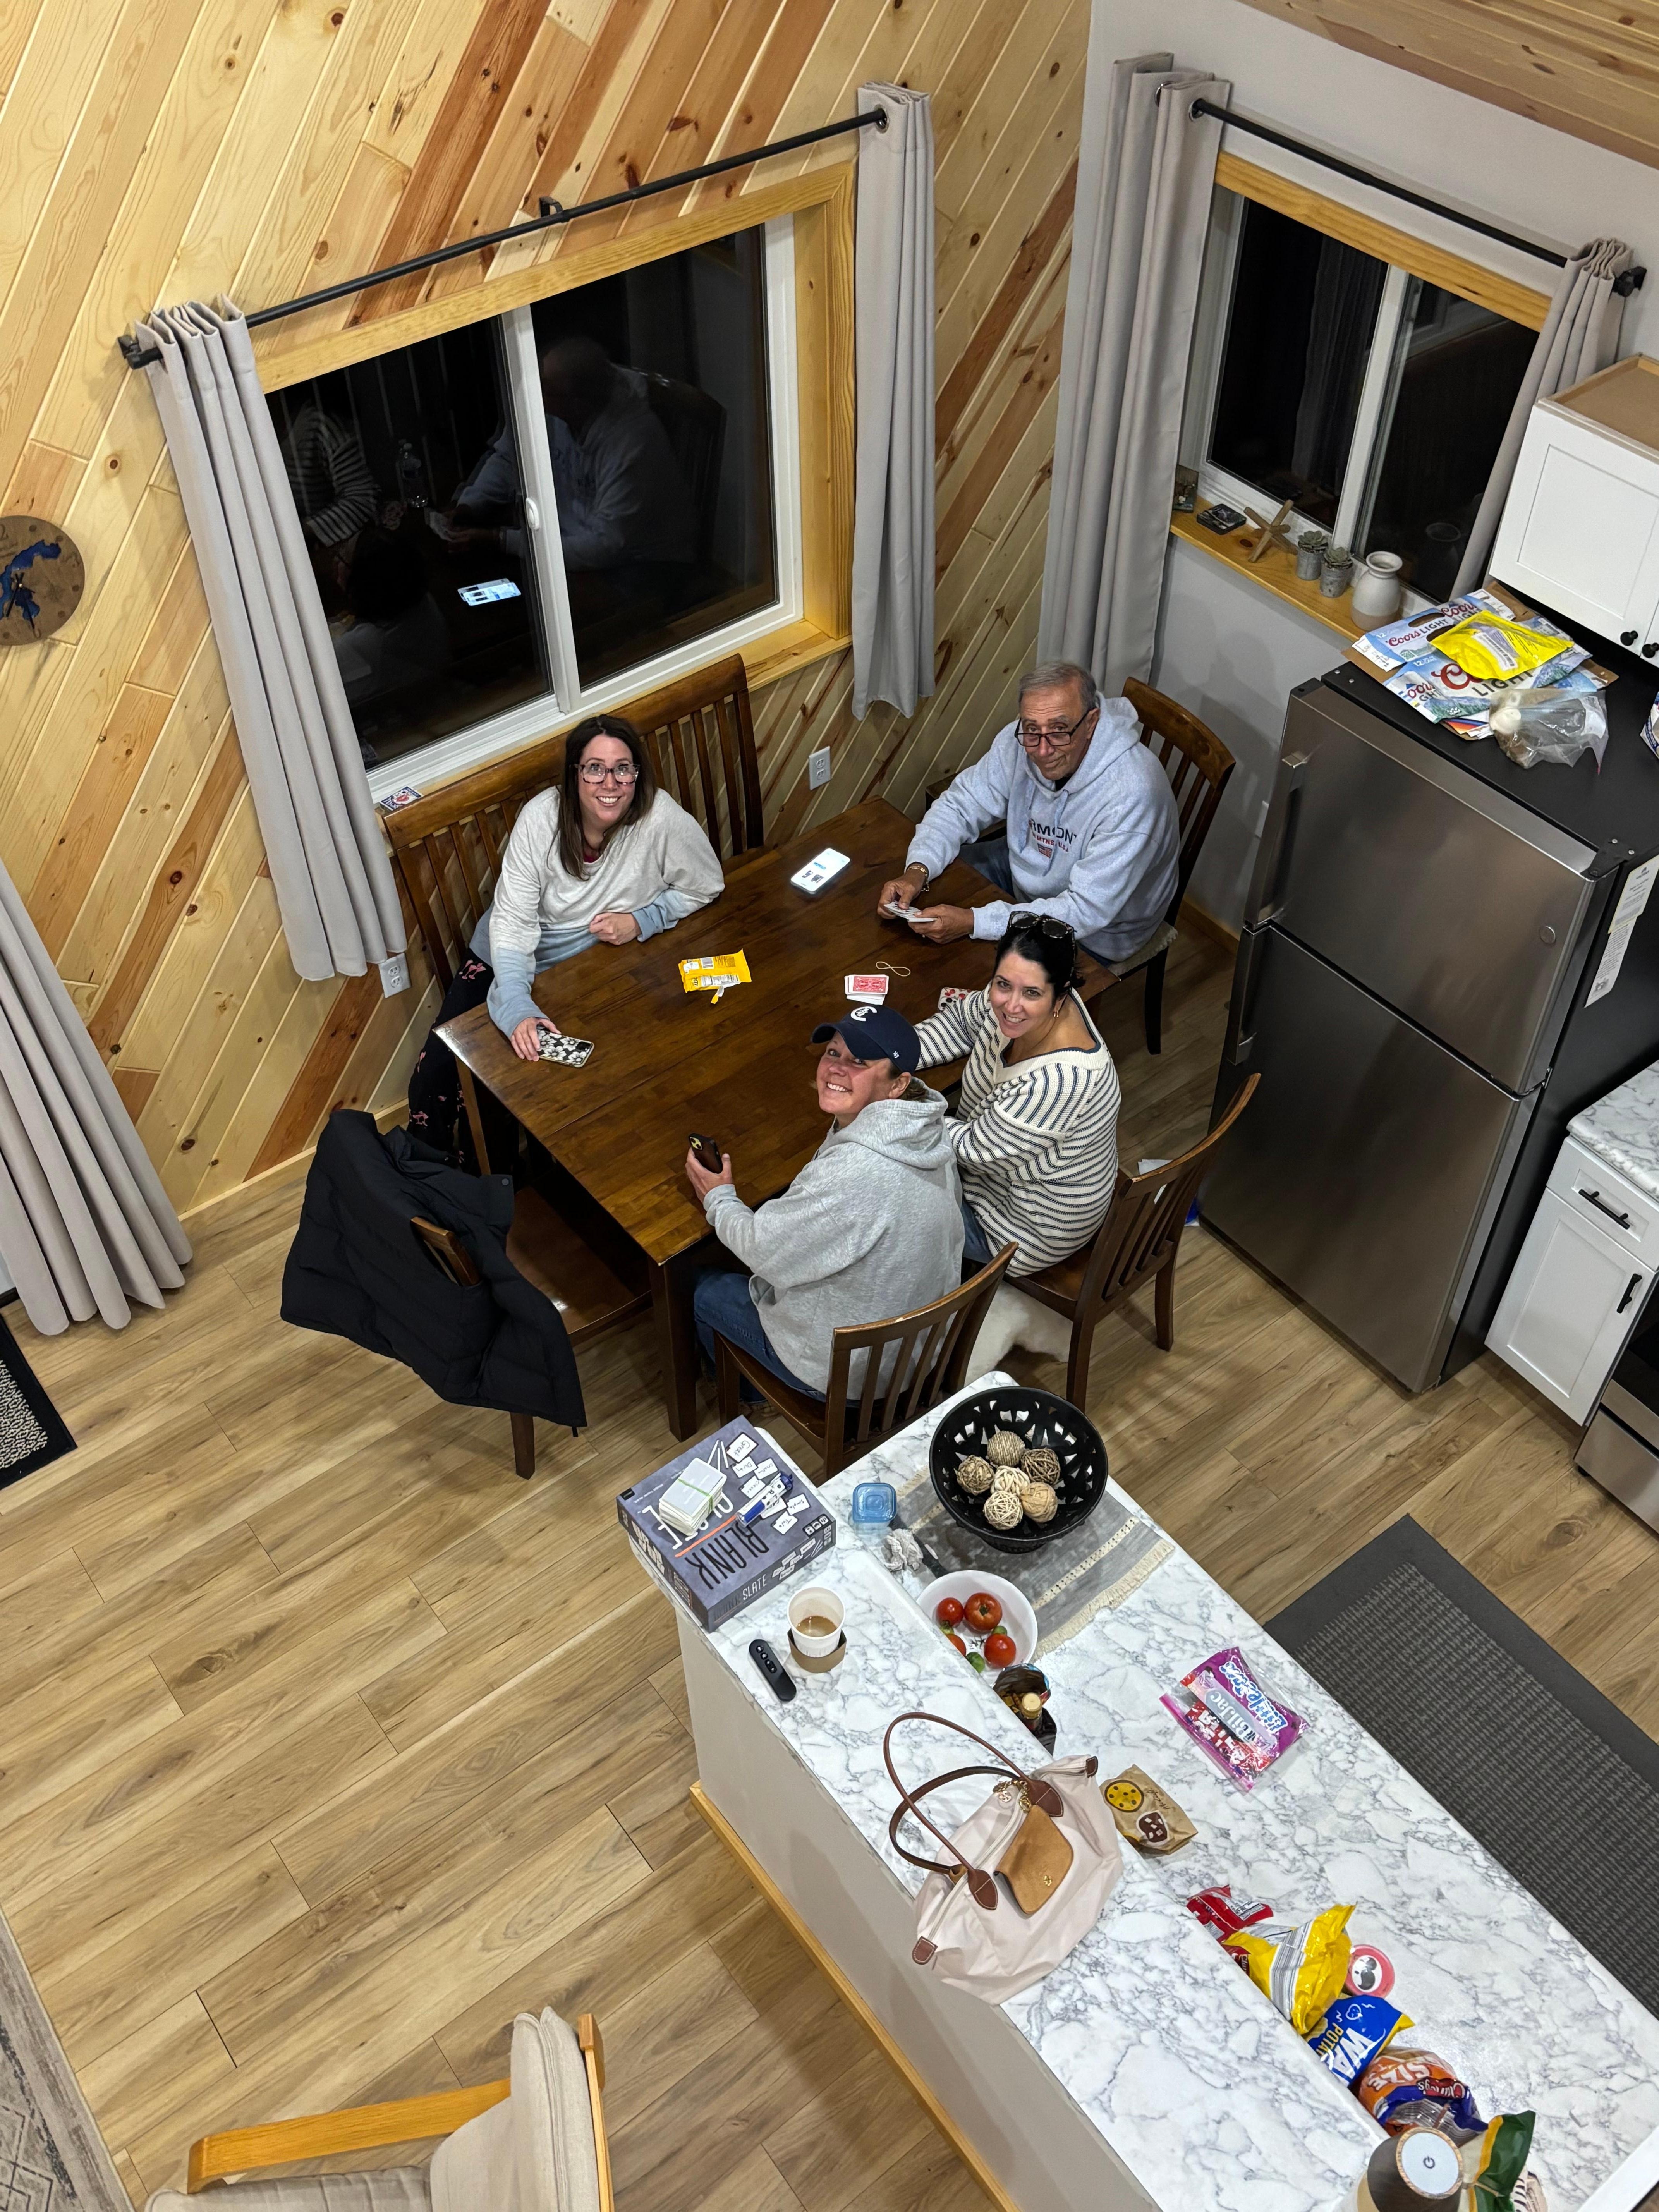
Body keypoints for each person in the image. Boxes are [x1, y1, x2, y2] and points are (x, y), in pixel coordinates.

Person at [406, 715, 723, 1157]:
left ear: (637, 774)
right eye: (595, 769)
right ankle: (442, 1176)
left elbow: (705, 884)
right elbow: (513, 923)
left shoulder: (660, 817)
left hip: (592, 962)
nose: (610, 783)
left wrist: (644, 920)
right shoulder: (541, 819)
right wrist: (517, 1005)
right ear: (575, 775)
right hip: (508, 953)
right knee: (439, 1075)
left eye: (623, 769)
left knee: (575, 1081)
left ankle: (512, 1176)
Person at [684, 1005, 964, 1400]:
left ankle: (748, 1394)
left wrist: (718, 1197)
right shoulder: (926, 1128)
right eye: (833, 1052)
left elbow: (761, 1250)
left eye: (859, 1061)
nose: (836, 1068)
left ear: (899, 1084)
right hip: (912, 1353)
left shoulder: (851, 1175)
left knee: (702, 1287)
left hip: (848, 1375)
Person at [876, 659, 1180, 967]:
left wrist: (974, 922)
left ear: (1092, 723)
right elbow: (960, 804)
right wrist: (918, 870)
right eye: (1032, 729)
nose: (1042, 751)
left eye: (1059, 731)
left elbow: (1084, 911)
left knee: (974, 975)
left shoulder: (1134, 794)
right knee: (922, 904)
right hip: (1024, 872)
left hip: (1100, 932)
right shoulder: (1021, 740)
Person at [915, 914, 1121, 1277]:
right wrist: (892, 1055)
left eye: (1032, 994)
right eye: (1002, 984)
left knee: (884, 1183)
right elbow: (961, 1022)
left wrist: (894, 1101)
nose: (1011, 1006)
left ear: (1061, 994)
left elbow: (973, 1150)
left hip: (1018, 1230)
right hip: (993, 1169)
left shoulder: (1060, 1082)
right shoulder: (1025, 997)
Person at [448, 336, 695, 574]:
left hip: (643, 563)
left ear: (576, 402)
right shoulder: (558, 408)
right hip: (576, 539)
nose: (537, 394)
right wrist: (471, 506)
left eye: (546, 389)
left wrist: (502, 540)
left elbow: (606, 546)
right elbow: (510, 458)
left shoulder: (632, 443)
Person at [332, 531, 452, 711]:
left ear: (361, 582)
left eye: (342, 557)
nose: (336, 562)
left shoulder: (363, 644)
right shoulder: (419, 598)